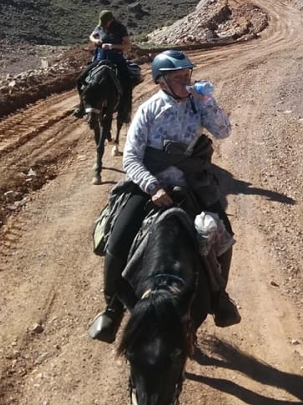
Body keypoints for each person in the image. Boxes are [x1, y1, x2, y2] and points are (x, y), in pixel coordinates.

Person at [87, 49, 240, 344]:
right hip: (149, 186)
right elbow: (130, 158)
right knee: (117, 238)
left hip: (191, 185)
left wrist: (209, 101)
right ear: (162, 82)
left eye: (188, 75)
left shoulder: (198, 105)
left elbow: (223, 132)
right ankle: (112, 308)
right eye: (178, 77)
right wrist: (152, 187)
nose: (186, 81)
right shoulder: (148, 110)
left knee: (223, 234)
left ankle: (219, 298)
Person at [72, 10, 134, 122]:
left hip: (116, 59)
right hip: (100, 58)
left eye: (106, 22)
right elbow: (91, 36)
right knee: (80, 79)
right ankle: (82, 105)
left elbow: (128, 46)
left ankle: (124, 111)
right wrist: (96, 40)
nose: (104, 25)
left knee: (126, 82)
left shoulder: (120, 28)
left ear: (111, 20)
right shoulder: (100, 27)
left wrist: (112, 46)